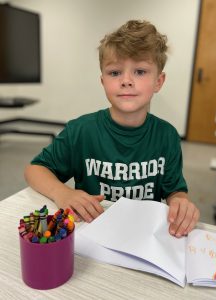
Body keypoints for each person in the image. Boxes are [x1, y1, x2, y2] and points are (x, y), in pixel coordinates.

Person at [24, 19, 200, 238]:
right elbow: (34, 169)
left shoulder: (167, 136)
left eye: (140, 71)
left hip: (142, 235)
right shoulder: (81, 130)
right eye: (115, 73)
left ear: (159, 81)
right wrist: (63, 193)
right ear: (103, 81)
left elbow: (174, 190)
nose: (126, 81)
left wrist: (181, 202)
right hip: (92, 230)